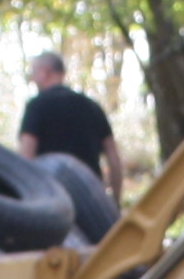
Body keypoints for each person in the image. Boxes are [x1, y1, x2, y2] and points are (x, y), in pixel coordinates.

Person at [16, 51, 122, 203]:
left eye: (34, 72)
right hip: (91, 200)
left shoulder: (36, 106)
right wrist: (115, 202)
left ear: (45, 72)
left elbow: (26, 158)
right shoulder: (91, 106)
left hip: (53, 201)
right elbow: (114, 159)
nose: (32, 79)